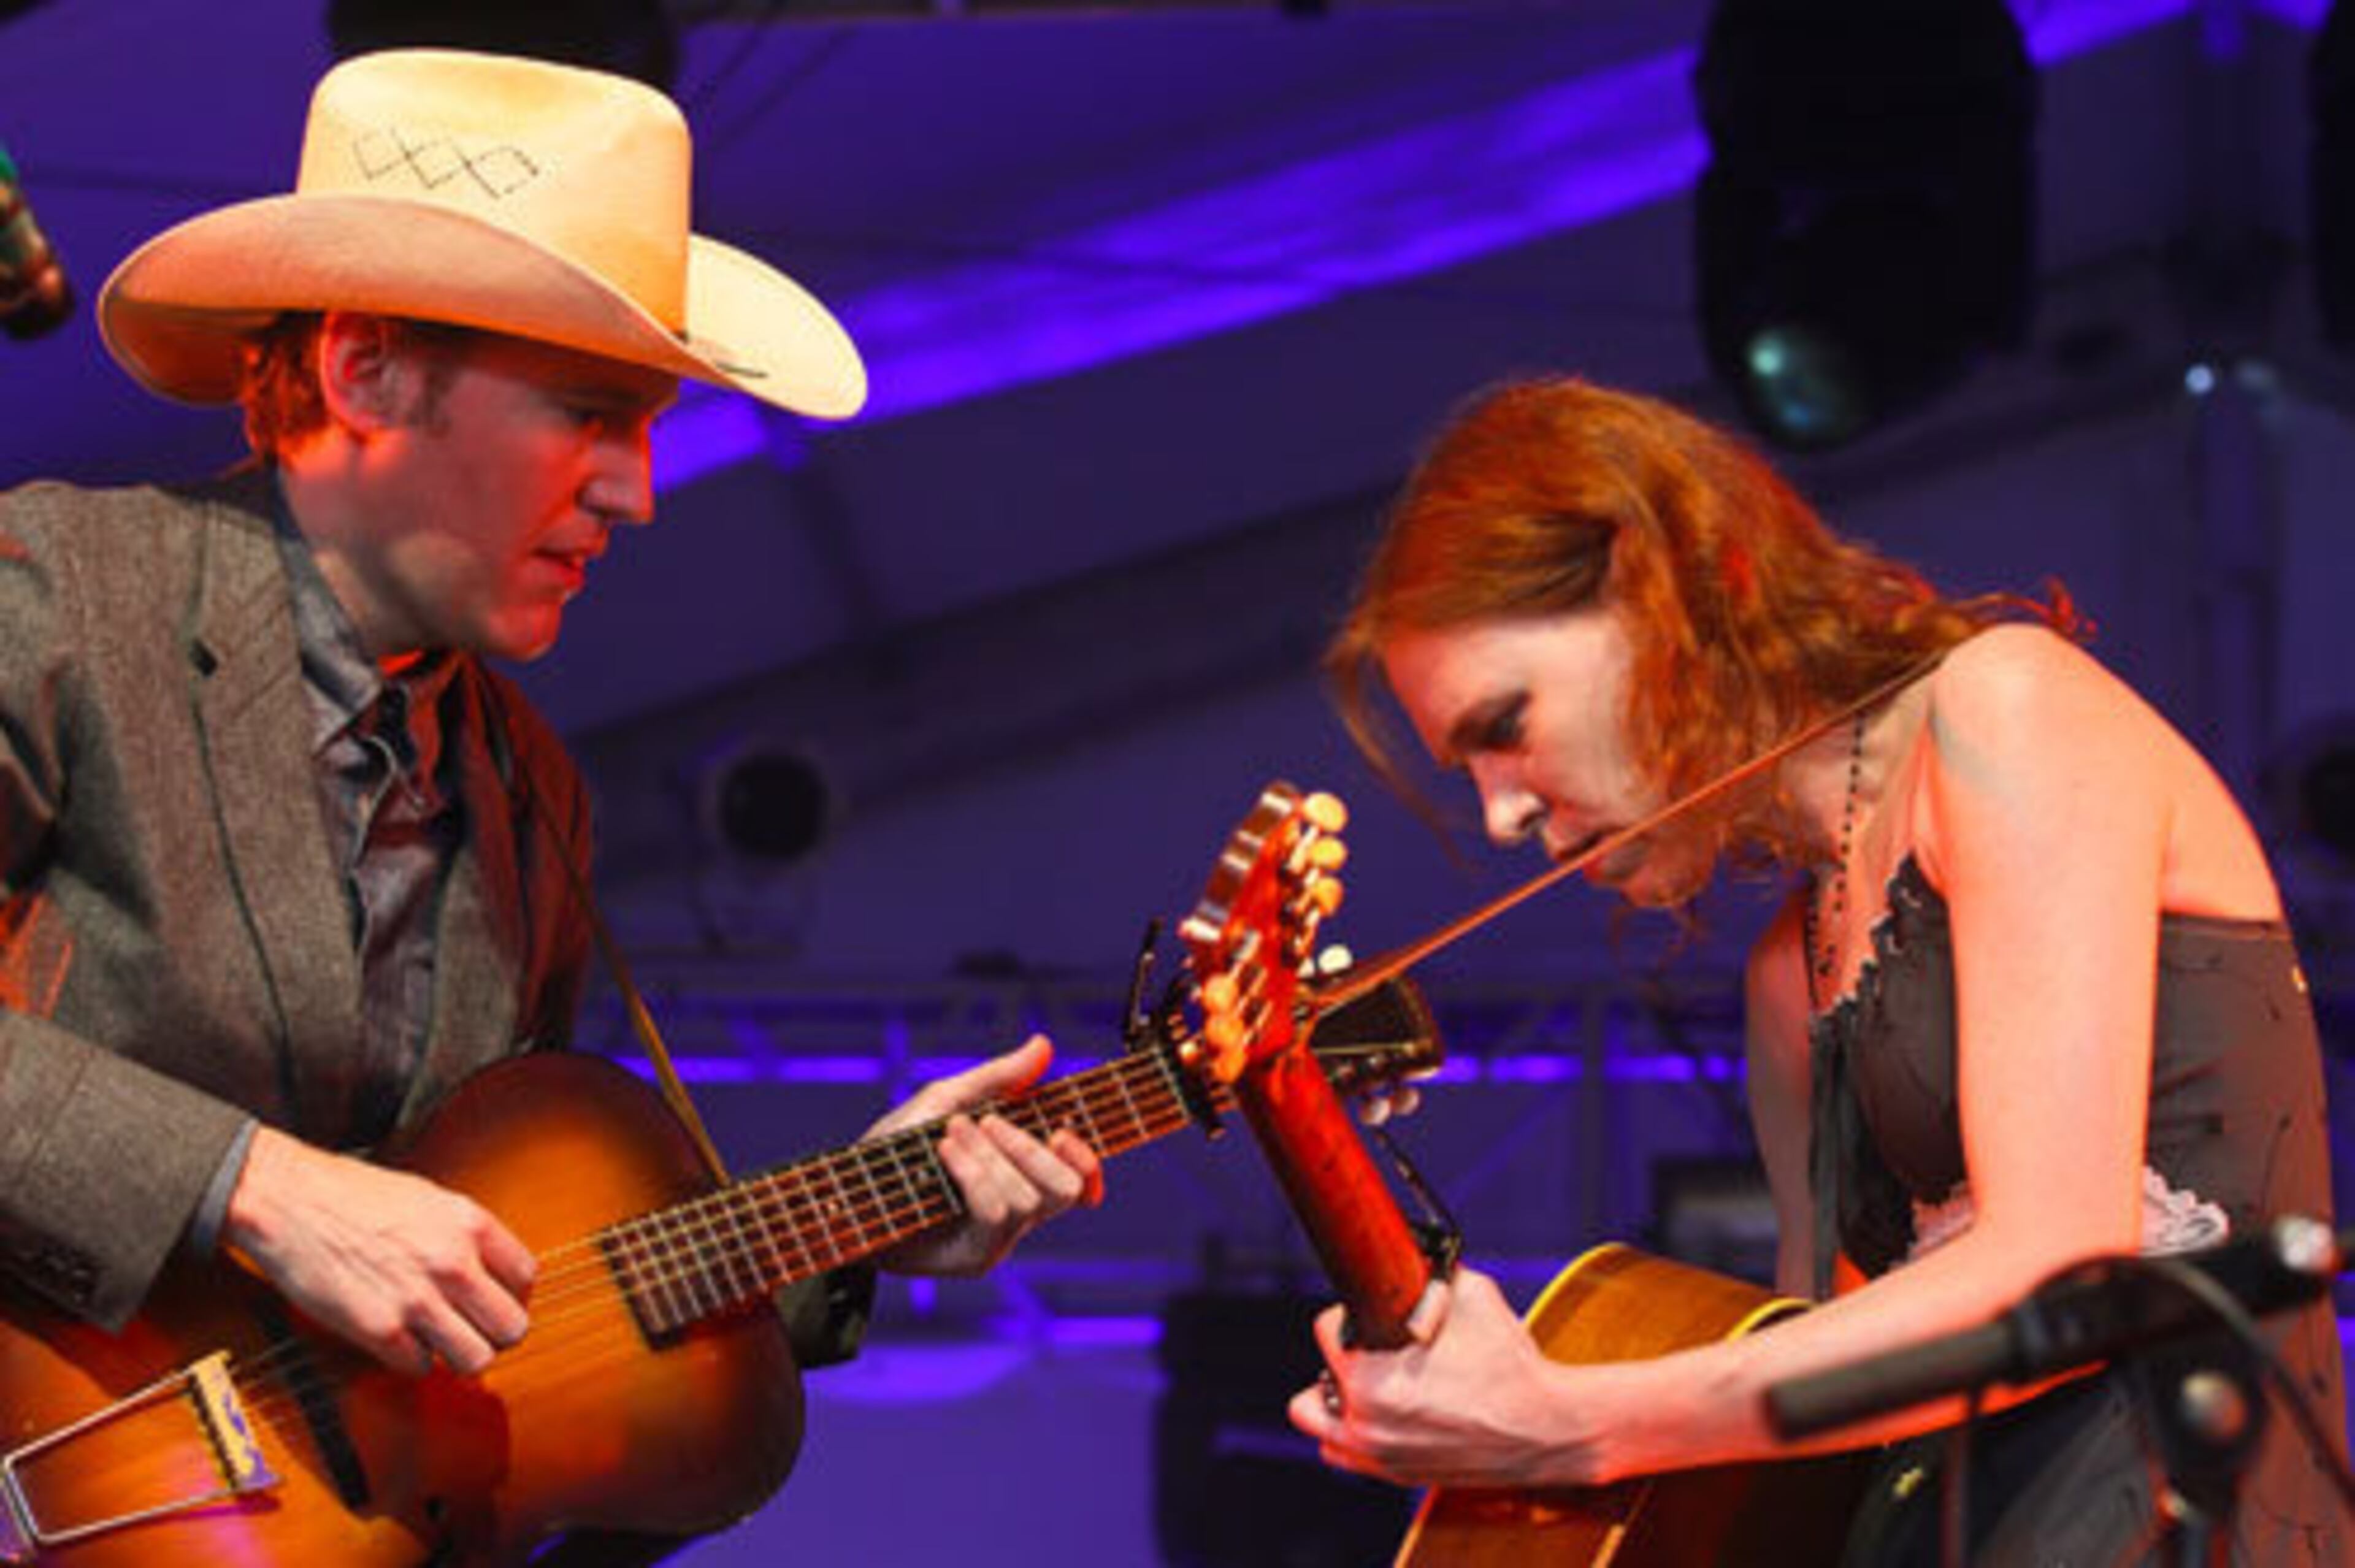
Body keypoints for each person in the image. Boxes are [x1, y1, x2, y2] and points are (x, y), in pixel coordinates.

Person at [0, 47, 1100, 1565]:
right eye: (589, 413)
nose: (638, 489)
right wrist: (251, 1185)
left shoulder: (530, 794)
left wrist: (871, 1218)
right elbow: (327, 1225)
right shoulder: (58, 597)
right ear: (364, 368)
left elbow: (513, 1291)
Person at [1292, 375, 2346, 1563]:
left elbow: (2060, 1269)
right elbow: (1817, 1439)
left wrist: (1573, 1422)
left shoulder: (2007, 708)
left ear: (1658, 597)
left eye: (1506, 725)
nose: (1500, 813)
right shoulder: (1786, 978)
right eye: (1468, 771)